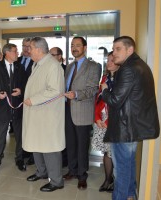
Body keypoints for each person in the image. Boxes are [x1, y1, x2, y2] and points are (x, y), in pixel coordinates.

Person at [101, 36, 160, 200]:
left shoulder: (128, 69)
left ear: (130, 50)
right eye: (113, 49)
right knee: (129, 166)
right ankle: (130, 196)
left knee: (122, 170)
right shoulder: (140, 66)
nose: (114, 53)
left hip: (124, 128)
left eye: (118, 49)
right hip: (132, 128)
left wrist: (105, 90)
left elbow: (114, 100)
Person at [23, 37, 65, 192]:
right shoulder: (38, 64)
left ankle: (56, 181)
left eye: (31, 48)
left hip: (47, 115)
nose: (29, 51)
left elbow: (55, 91)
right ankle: (42, 172)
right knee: (37, 144)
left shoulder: (53, 66)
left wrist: (32, 100)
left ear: (39, 50)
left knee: (50, 148)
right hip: (37, 113)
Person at [64, 36, 101, 190]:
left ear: (85, 48)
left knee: (82, 145)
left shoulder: (93, 66)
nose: (74, 48)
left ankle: (82, 175)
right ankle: (72, 170)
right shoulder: (69, 66)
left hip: (83, 111)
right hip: (67, 110)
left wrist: (77, 94)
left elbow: (93, 89)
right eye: (72, 45)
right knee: (70, 143)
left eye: (78, 45)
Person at [0, 43, 26, 178]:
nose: (18, 53)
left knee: (20, 136)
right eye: (15, 51)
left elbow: (25, 84)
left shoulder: (20, 67)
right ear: (7, 53)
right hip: (2, 108)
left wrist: (21, 91)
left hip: (17, 108)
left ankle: (20, 159)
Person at [91, 51, 119, 192]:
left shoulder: (122, 79)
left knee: (114, 152)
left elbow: (118, 103)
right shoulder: (104, 77)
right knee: (106, 152)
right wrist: (96, 118)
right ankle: (108, 179)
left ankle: (116, 181)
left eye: (112, 60)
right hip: (101, 120)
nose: (108, 63)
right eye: (108, 60)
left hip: (114, 122)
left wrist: (108, 121)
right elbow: (98, 100)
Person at [17, 37, 35, 165]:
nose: (26, 49)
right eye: (24, 46)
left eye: (29, 46)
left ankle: (33, 155)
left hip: (31, 101)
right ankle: (21, 153)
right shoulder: (16, 61)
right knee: (20, 129)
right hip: (16, 103)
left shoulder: (37, 62)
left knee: (32, 128)